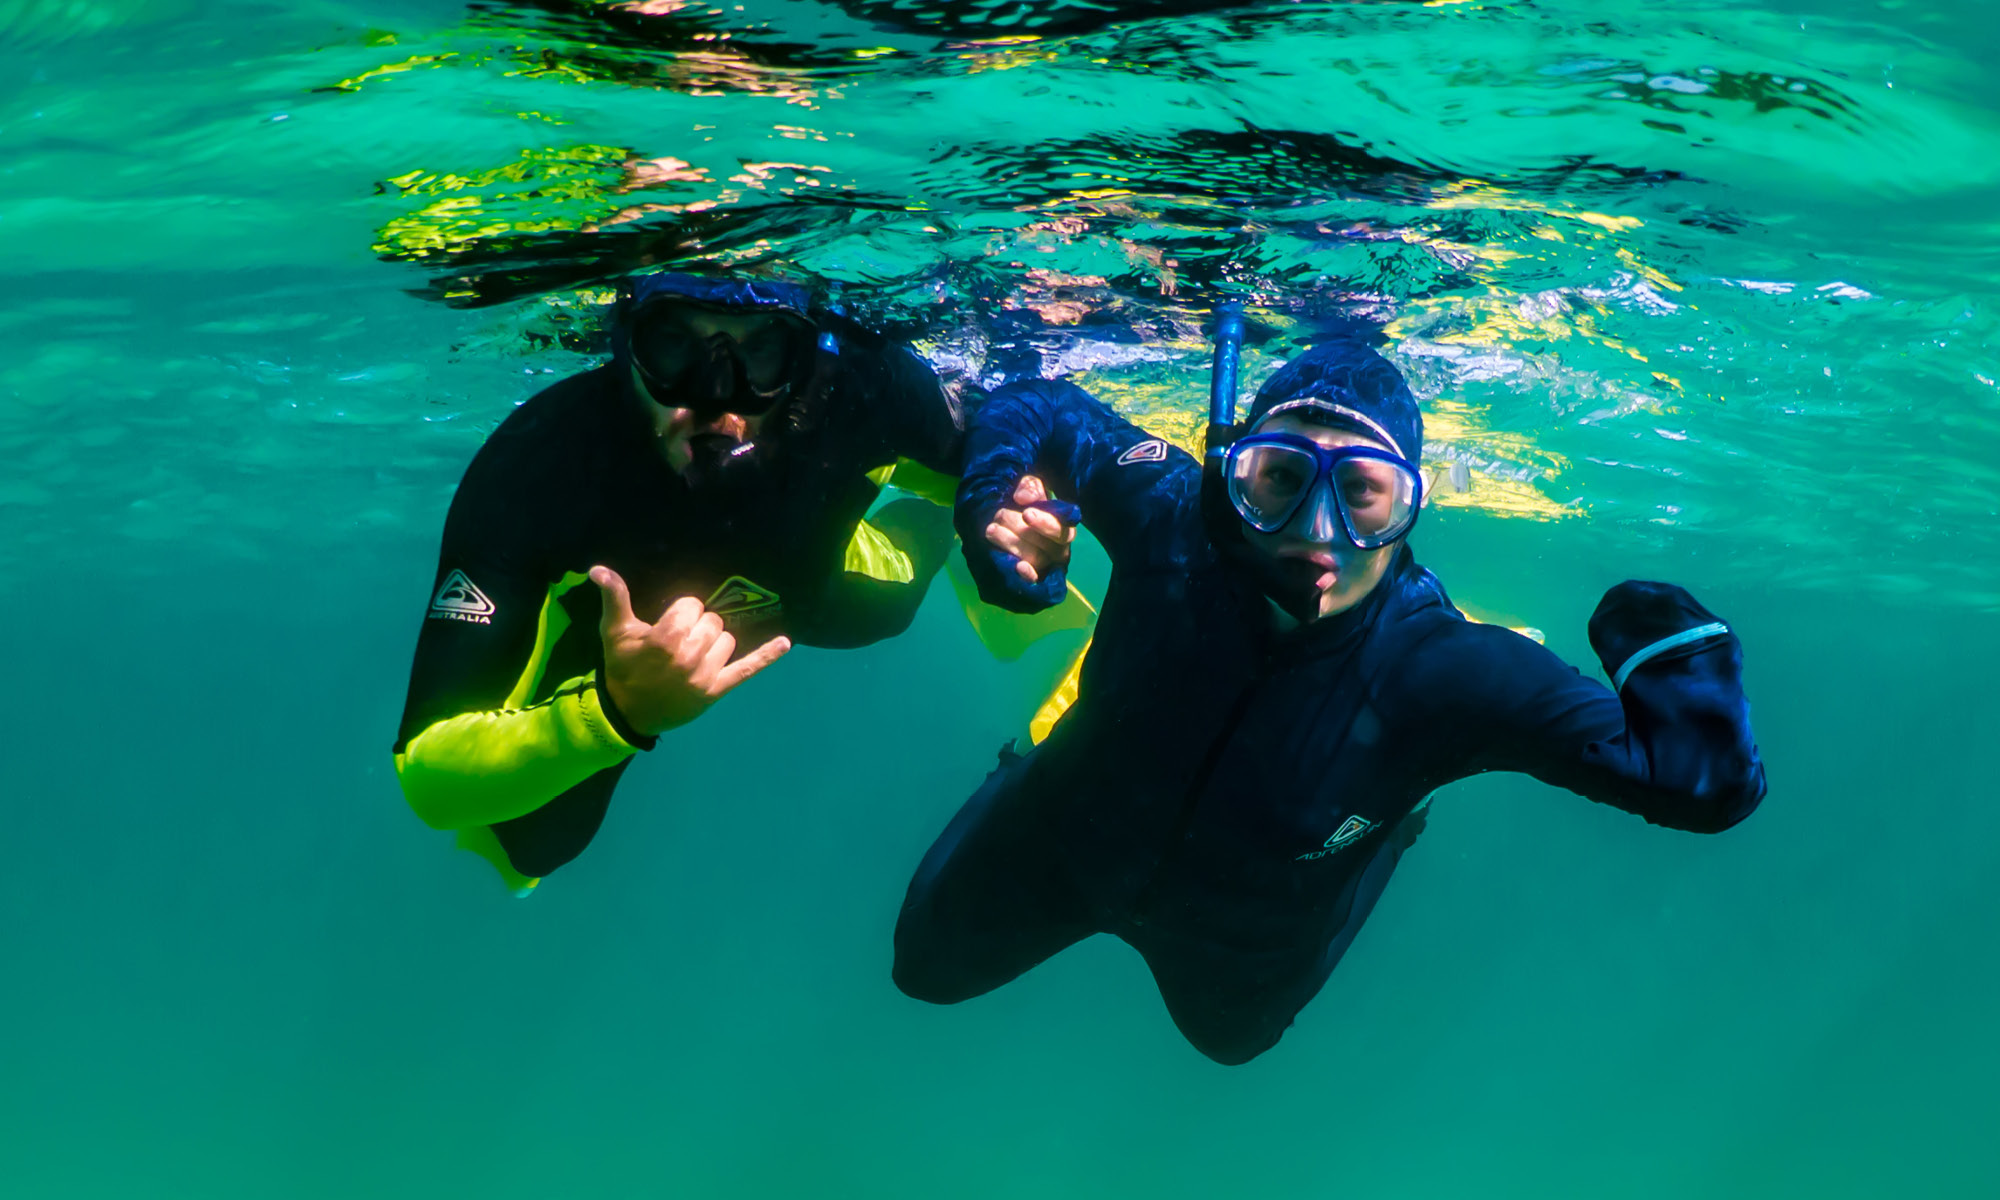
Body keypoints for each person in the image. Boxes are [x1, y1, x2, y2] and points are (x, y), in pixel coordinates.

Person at [892, 316, 1768, 1065]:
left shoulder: (1442, 669)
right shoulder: (1175, 515)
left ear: (1409, 510)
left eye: (1361, 495)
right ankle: (1024, 770)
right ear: (1234, 475)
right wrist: (988, 519)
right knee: (921, 970)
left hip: (1253, 921)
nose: (1317, 533)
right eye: (1280, 480)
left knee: (1232, 1044)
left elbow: (1701, 787)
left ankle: (1389, 831)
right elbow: (1034, 400)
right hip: (1067, 832)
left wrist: (1680, 650)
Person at [393, 272, 966, 894]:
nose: (718, 394)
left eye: (761, 352)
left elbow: (993, 453)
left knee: (892, 606)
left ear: (801, 357)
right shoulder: (543, 461)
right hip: (621, 651)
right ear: (626, 345)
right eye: (673, 347)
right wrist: (616, 711)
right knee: (534, 844)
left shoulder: (864, 385)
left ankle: (940, 532)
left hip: (810, 586)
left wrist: (1000, 515)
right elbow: (430, 777)